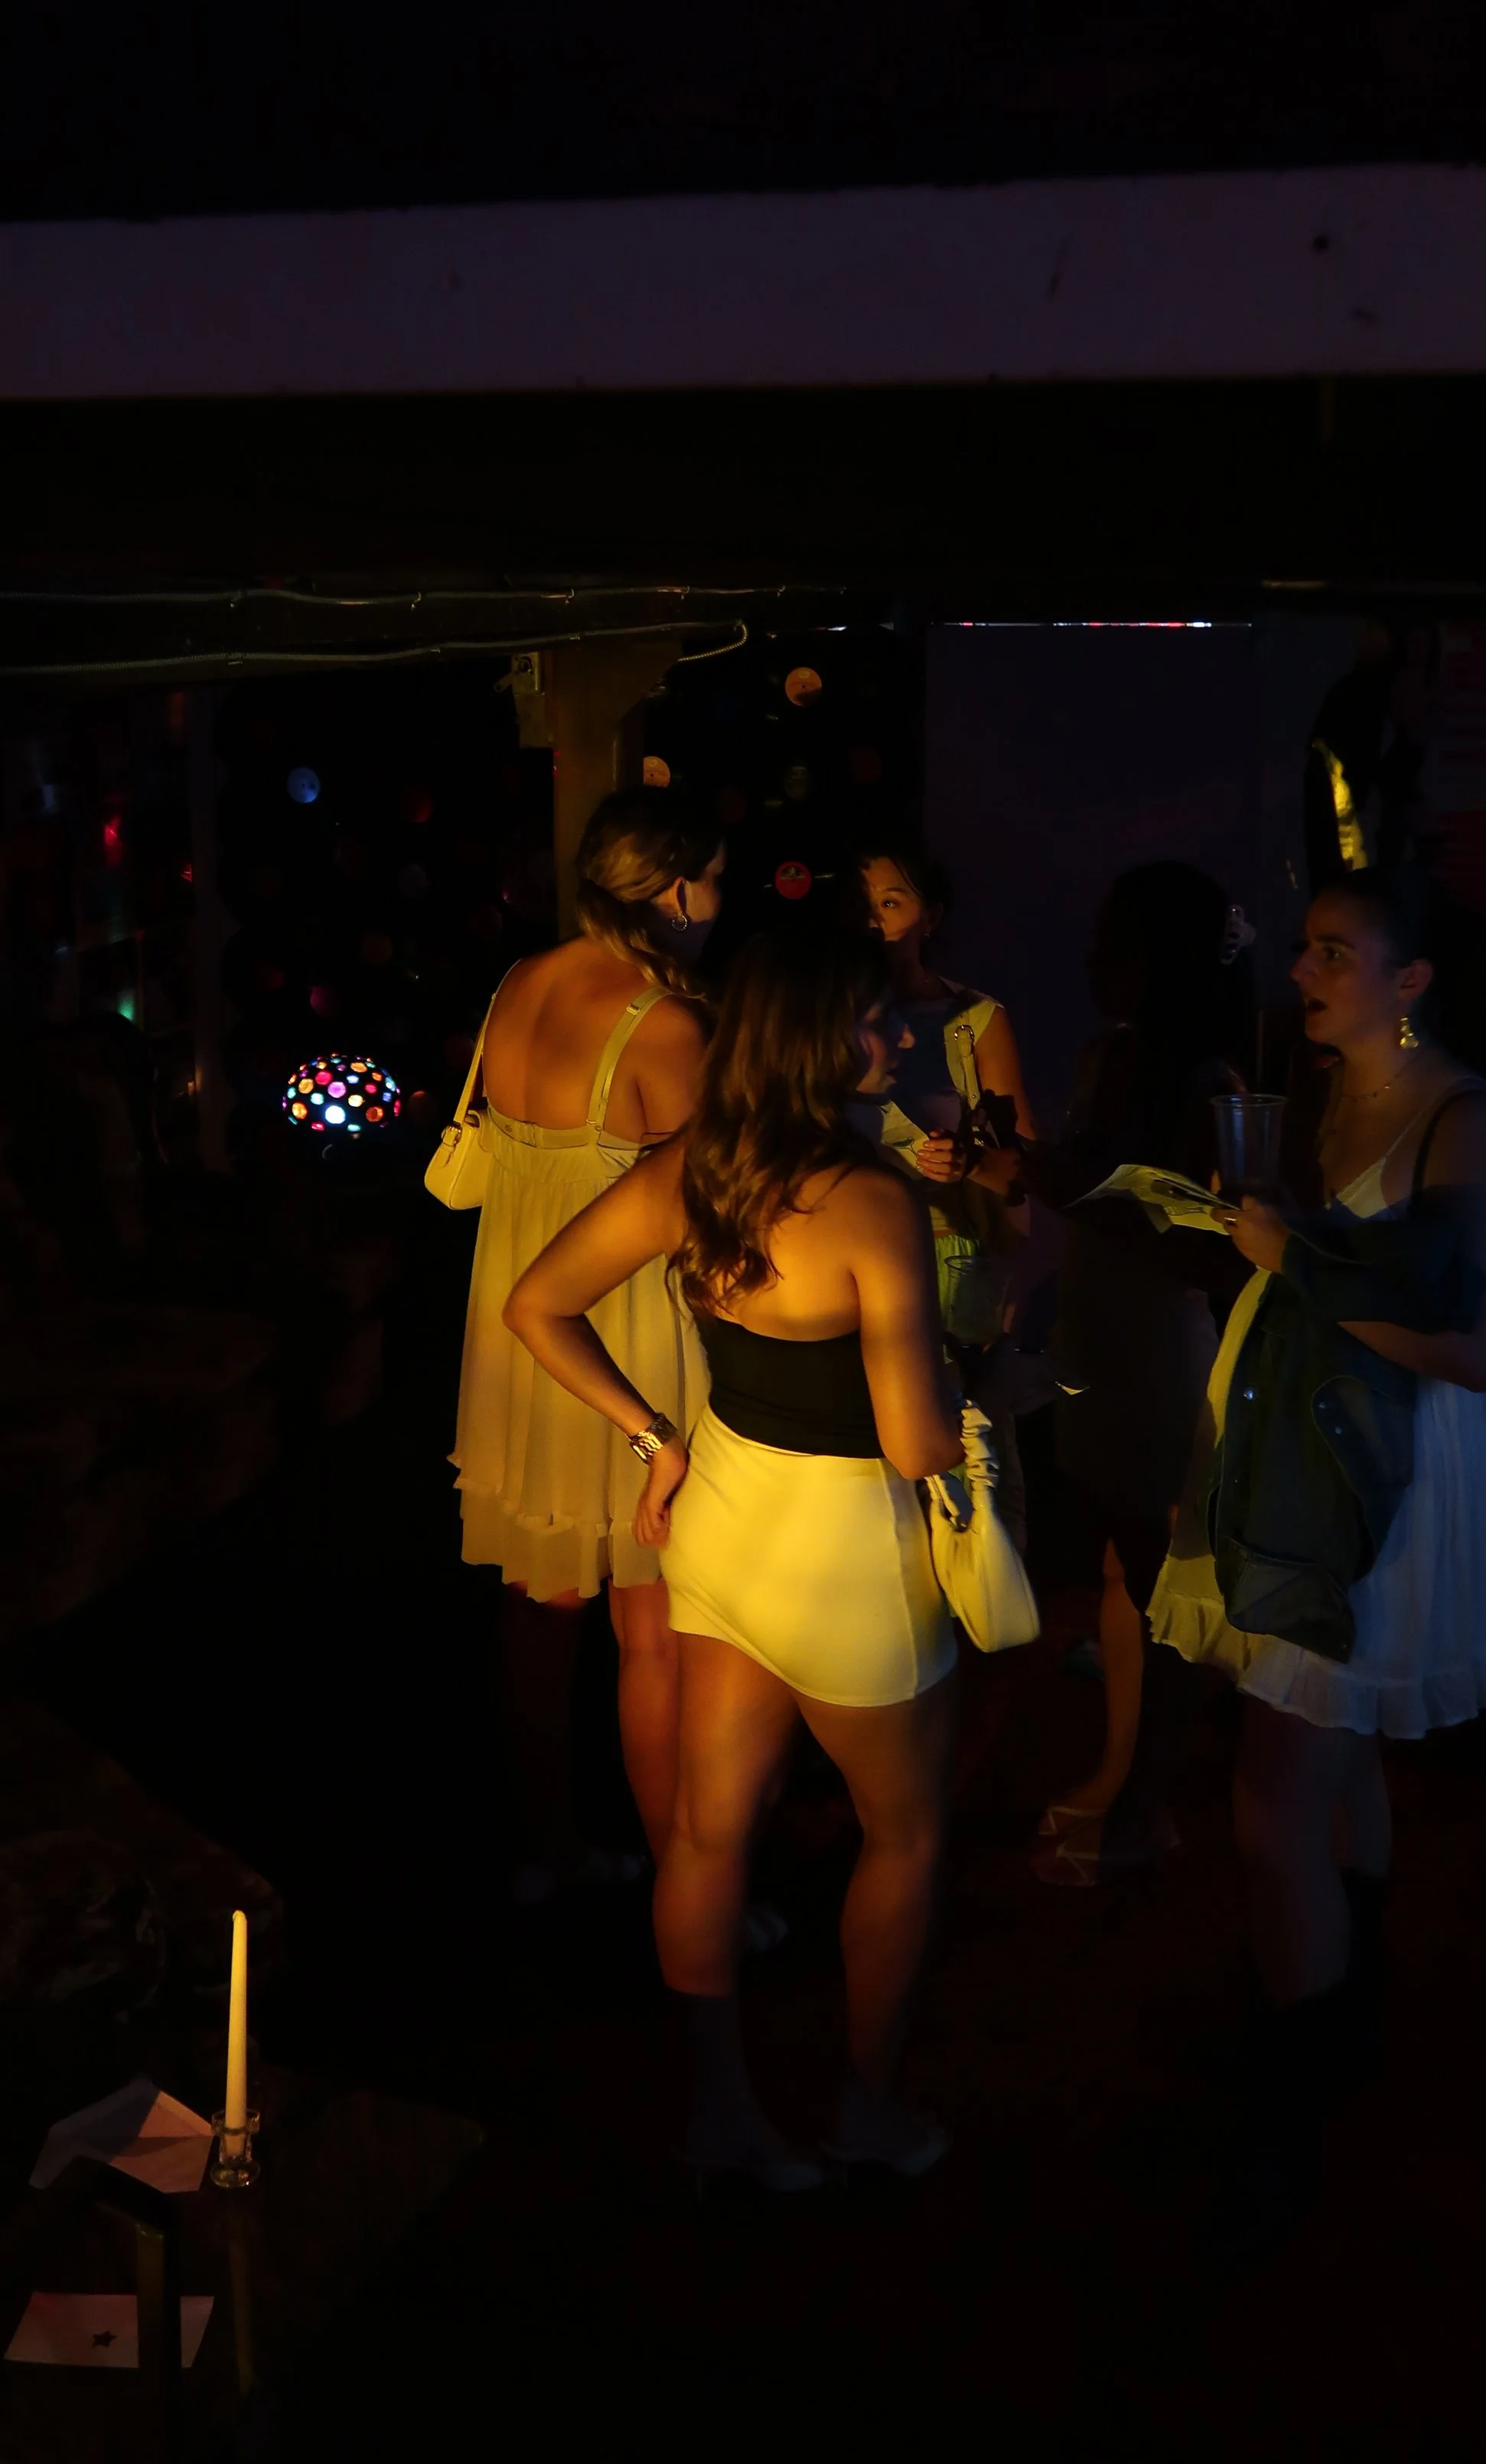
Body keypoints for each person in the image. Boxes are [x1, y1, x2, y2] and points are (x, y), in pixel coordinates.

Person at [505, 925, 964, 2186]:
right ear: (819, 1034)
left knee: (708, 1836)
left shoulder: (693, 1168)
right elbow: (920, 1446)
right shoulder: (875, 1202)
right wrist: (1005, 1354)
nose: (899, 1037)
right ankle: (864, 2108)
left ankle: (722, 2110)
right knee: (906, 1834)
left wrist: (654, 1435)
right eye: (876, 1019)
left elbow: (534, 1304)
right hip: (848, 1548)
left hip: (720, 1518)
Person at [1148, 864, 1486, 2227]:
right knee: (1339, 1751)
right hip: (1305, 1438)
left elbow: (1483, 1352)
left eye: (1332, 954)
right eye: (1304, 950)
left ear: (1411, 982)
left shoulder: (1466, 1121)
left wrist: (1293, 1262)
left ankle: (1290, 2096)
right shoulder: (1322, 1092)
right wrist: (1257, 1234)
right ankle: (1344, 2020)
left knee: (1271, 1800)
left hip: (1382, 1481)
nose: (1302, 974)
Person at [452, 788, 723, 1892]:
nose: (723, 899)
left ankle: (546, 1848)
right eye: (716, 876)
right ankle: (682, 1881)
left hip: (516, 1347)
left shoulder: (522, 980)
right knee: (650, 1624)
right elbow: (709, 1205)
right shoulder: (664, 1023)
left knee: (539, 1597)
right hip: (622, 1340)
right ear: (673, 888)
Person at [1015, 863, 1256, 1883]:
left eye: (1114, 946)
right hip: (1104, 1328)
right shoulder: (1106, 1058)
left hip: (1161, 1340)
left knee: (1163, 1575)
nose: (1090, 963)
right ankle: (1123, 1769)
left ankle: (1146, 1799)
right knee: (1124, 1564)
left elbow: (1218, 1253)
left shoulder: (1210, 1087)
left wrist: (1061, 1185)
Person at [859, 842, 1038, 1486]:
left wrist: (969, 1162)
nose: (873, 920)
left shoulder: (973, 1023)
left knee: (970, 1477)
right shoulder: (822, 1021)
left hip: (953, 1273)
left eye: (891, 902)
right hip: (855, 1264)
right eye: (861, 904)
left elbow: (1028, 1169)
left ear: (931, 917)